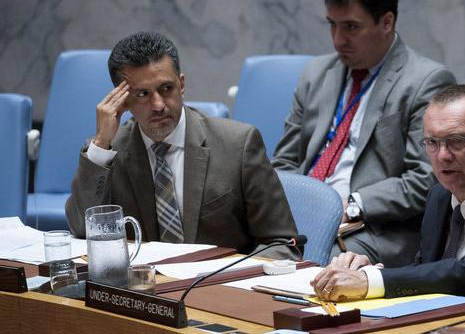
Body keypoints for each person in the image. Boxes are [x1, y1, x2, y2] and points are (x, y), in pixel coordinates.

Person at [310, 85, 465, 324]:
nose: (442, 155)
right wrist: (366, 272)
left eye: (457, 141)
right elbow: (431, 272)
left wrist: (373, 280)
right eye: (432, 142)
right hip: (451, 325)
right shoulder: (440, 195)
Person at [271, 0, 456, 267]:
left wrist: (354, 205)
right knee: (239, 246)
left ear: (387, 22)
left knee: (317, 263)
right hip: (303, 216)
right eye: (332, 24)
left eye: (351, 27)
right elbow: (285, 161)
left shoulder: (425, 82)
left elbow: (427, 177)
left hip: (371, 227)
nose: (338, 39)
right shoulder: (317, 73)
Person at [65, 31, 300, 258]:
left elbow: (282, 244)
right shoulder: (107, 153)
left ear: (182, 84)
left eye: (166, 89)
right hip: (143, 283)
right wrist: (101, 144)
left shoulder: (238, 145)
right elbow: (82, 230)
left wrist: (233, 275)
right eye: (143, 94)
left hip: (221, 282)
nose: (158, 105)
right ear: (122, 100)